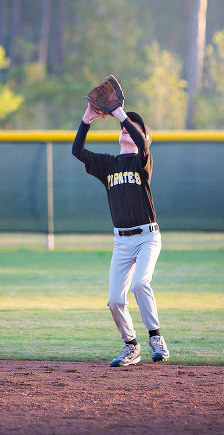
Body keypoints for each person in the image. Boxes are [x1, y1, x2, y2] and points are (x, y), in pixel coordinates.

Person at [71, 101, 170, 367]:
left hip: (147, 237)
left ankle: (156, 338)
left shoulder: (142, 161)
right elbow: (77, 151)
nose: (127, 127)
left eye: (136, 127)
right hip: (122, 241)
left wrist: (121, 115)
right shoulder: (108, 165)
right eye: (125, 126)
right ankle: (131, 346)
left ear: (143, 137)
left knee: (140, 284)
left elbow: (142, 143)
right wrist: (87, 119)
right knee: (115, 300)